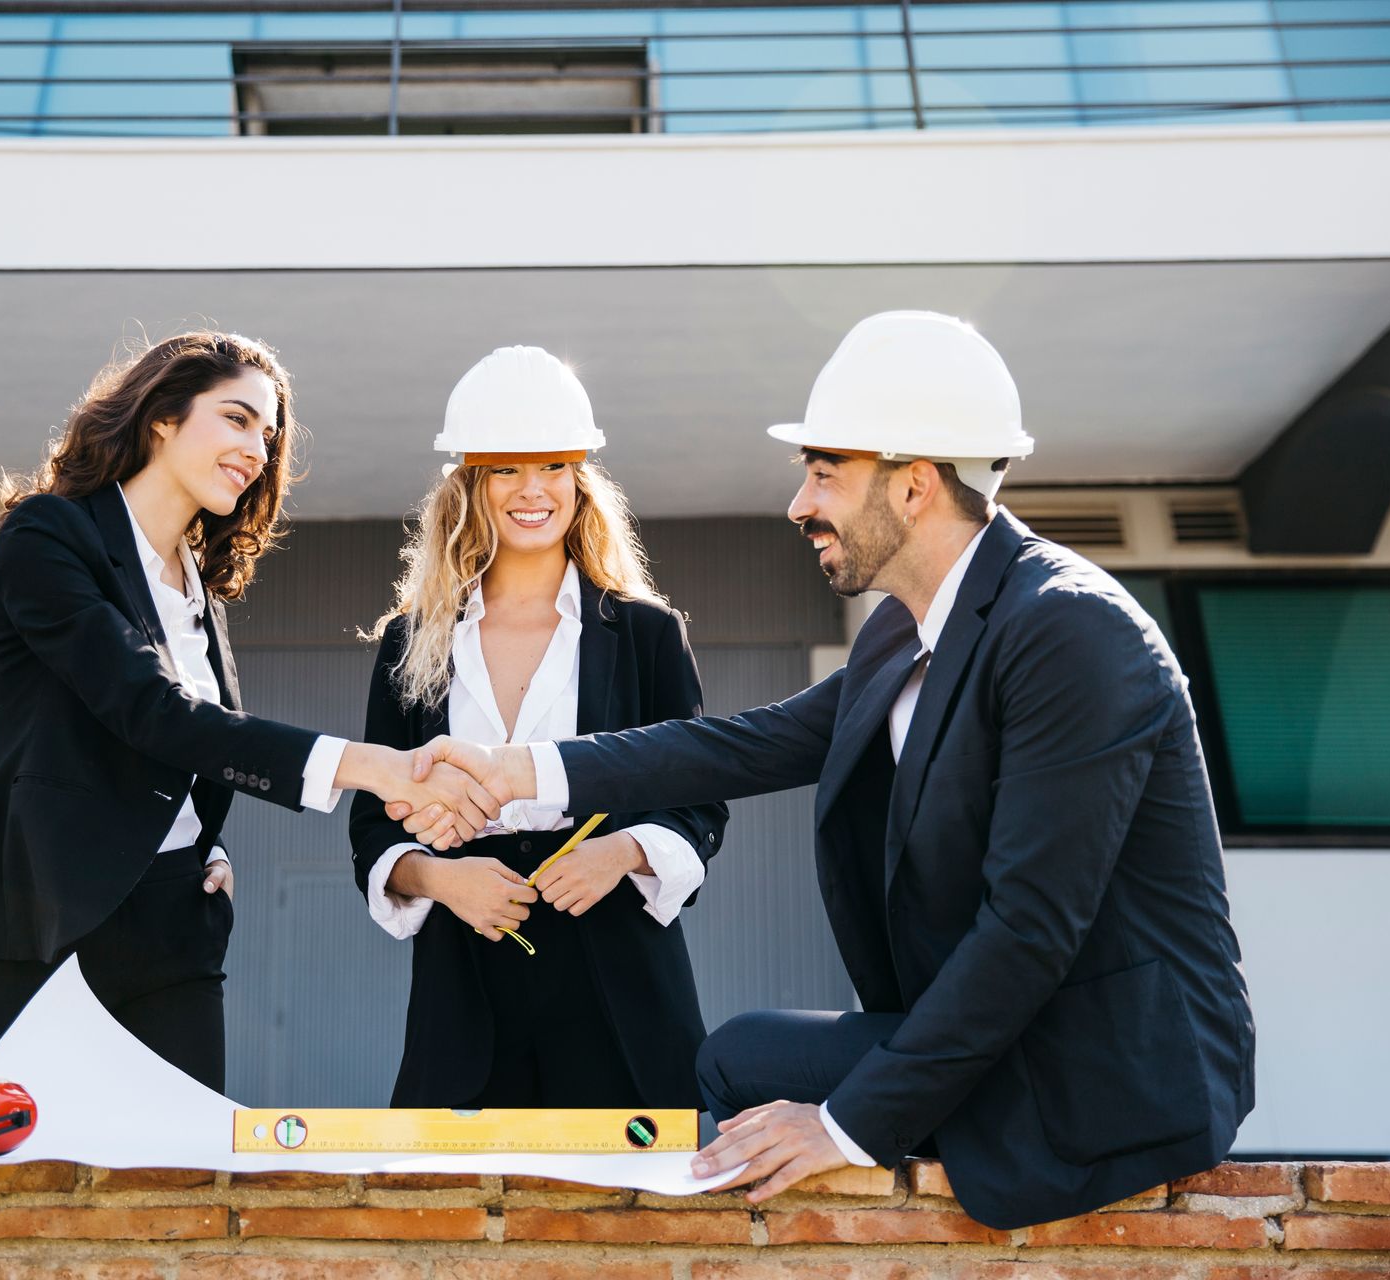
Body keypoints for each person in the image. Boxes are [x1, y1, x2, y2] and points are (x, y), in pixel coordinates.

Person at [396, 313, 1255, 1230]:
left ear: (916, 485)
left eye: (823, 473)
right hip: (1004, 1030)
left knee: (799, 1116)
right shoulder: (904, 630)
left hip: (1101, 1064)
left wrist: (844, 1128)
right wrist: (516, 766)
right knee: (734, 1060)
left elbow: (1030, 931)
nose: (800, 504)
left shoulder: (1071, 631)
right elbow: (740, 745)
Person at [0, 331, 499, 1092]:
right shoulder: (50, 536)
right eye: (237, 419)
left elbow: (188, 751)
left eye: (268, 434)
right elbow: (152, 712)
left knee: (181, 1188)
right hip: (47, 913)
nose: (258, 449)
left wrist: (207, 845)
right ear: (162, 416)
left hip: (175, 925)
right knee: (32, 1192)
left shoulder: (200, 592)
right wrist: (374, 766)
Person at [349, 346, 726, 1108]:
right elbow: (371, 823)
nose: (533, 490)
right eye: (505, 470)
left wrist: (619, 852)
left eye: (553, 467)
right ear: (469, 487)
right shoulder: (410, 641)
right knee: (457, 1202)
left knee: (638, 1211)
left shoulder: (646, 634)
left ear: (579, 482)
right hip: (467, 969)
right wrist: (443, 881)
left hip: (617, 970)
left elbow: (699, 801)